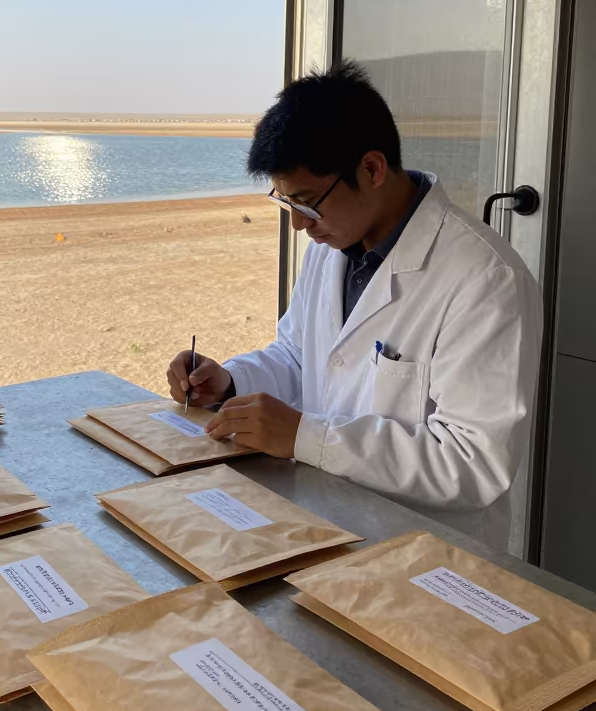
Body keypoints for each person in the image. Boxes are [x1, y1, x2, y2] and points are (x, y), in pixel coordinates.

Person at [167, 61, 542, 550]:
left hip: (425, 551)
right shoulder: (332, 246)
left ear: (371, 169)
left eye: (306, 203)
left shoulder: (486, 279)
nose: (300, 225)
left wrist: (307, 437)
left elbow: (471, 463)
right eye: (287, 205)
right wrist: (233, 382)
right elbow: (300, 355)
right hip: (320, 522)